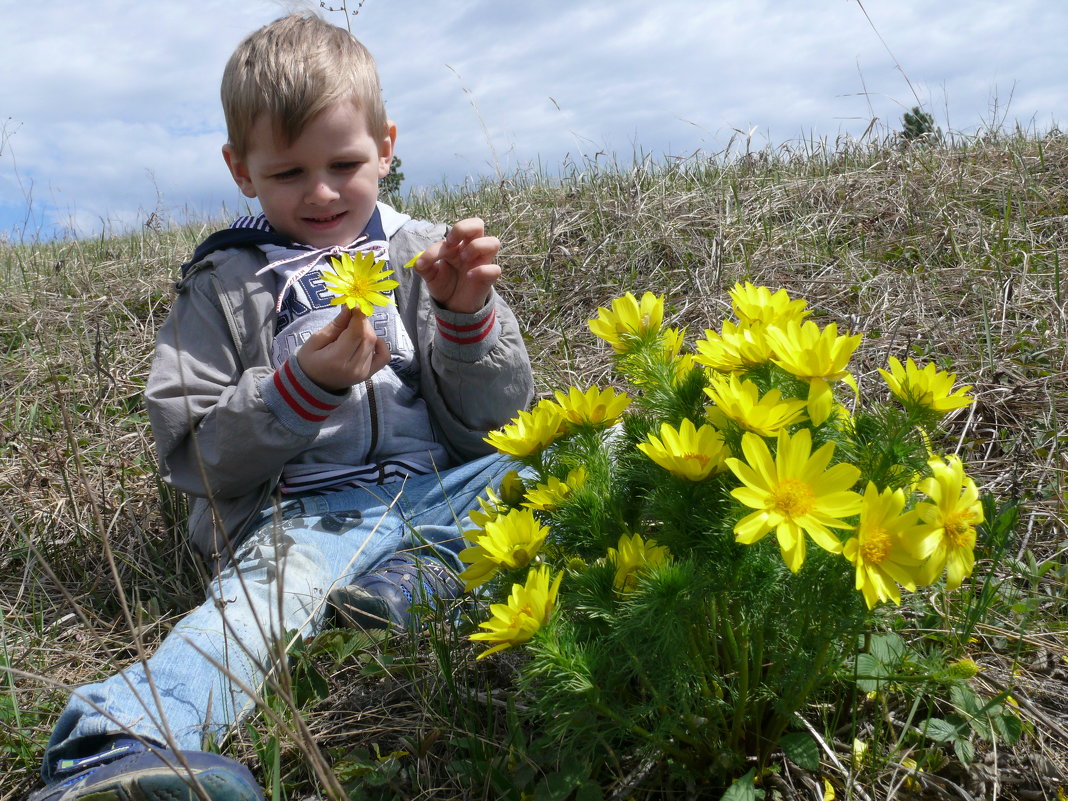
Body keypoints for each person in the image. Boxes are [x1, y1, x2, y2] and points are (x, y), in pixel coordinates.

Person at [31, 13, 533, 801]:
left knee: (575, 451)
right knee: (258, 611)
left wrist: (468, 320)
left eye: (345, 162)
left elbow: (495, 427)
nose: (324, 191)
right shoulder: (226, 282)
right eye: (289, 173)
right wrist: (302, 389)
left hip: (437, 492)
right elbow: (191, 451)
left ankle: (412, 581)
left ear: (387, 146)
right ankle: (112, 742)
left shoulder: (426, 256)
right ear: (240, 170)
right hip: (303, 517)